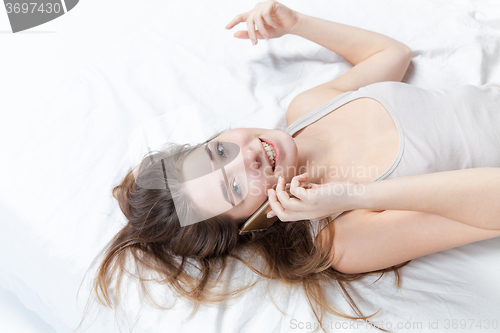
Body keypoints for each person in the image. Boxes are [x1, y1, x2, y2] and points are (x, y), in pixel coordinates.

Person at [86, 1, 500, 332]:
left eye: (217, 153)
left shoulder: (307, 111)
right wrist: (356, 194)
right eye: (234, 189)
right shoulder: (343, 238)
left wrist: (297, 22)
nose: (244, 158)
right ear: (255, 221)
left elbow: (391, 54)